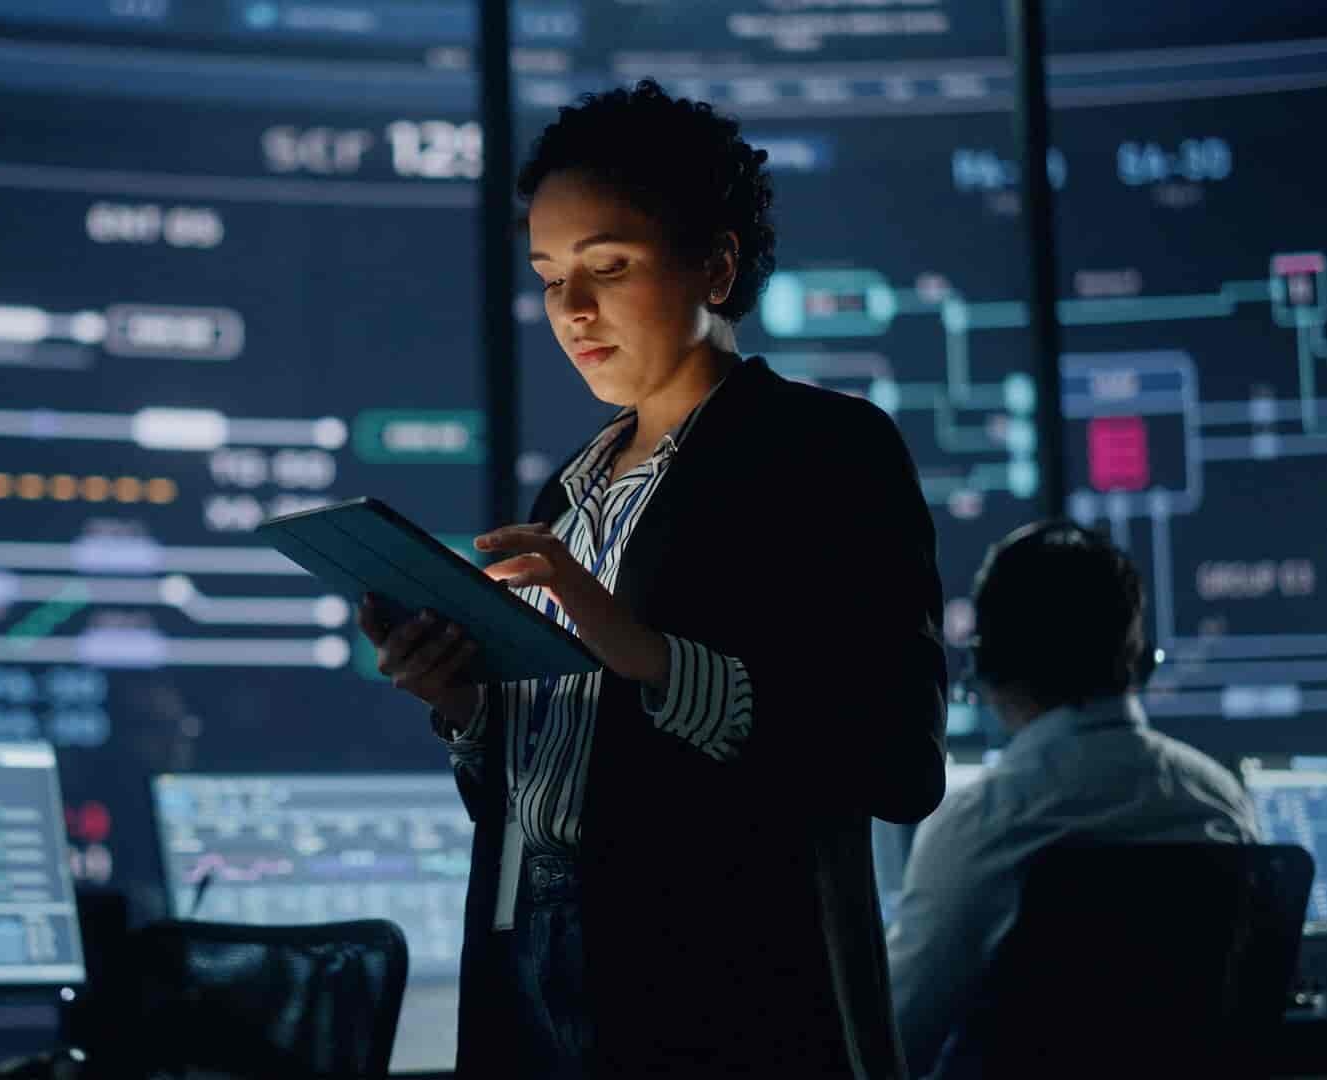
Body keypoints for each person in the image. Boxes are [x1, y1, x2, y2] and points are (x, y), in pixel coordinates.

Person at [355, 80, 948, 1077]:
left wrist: (635, 644)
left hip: (723, 983)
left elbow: (897, 758)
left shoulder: (827, 451)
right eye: (549, 278)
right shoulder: (569, 493)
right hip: (527, 952)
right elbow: (558, 782)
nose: (571, 310)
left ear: (715, 265)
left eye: (608, 267)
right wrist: (464, 706)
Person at [887, 520, 1259, 1079]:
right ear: (1138, 661)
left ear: (989, 667)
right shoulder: (1218, 803)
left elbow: (893, 1043)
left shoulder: (982, 824)